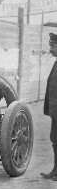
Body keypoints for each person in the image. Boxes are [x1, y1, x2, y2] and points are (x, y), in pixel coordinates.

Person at [40, 33, 57, 180]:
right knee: (55, 139)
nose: (50, 49)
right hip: (55, 111)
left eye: (52, 46)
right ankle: (55, 170)